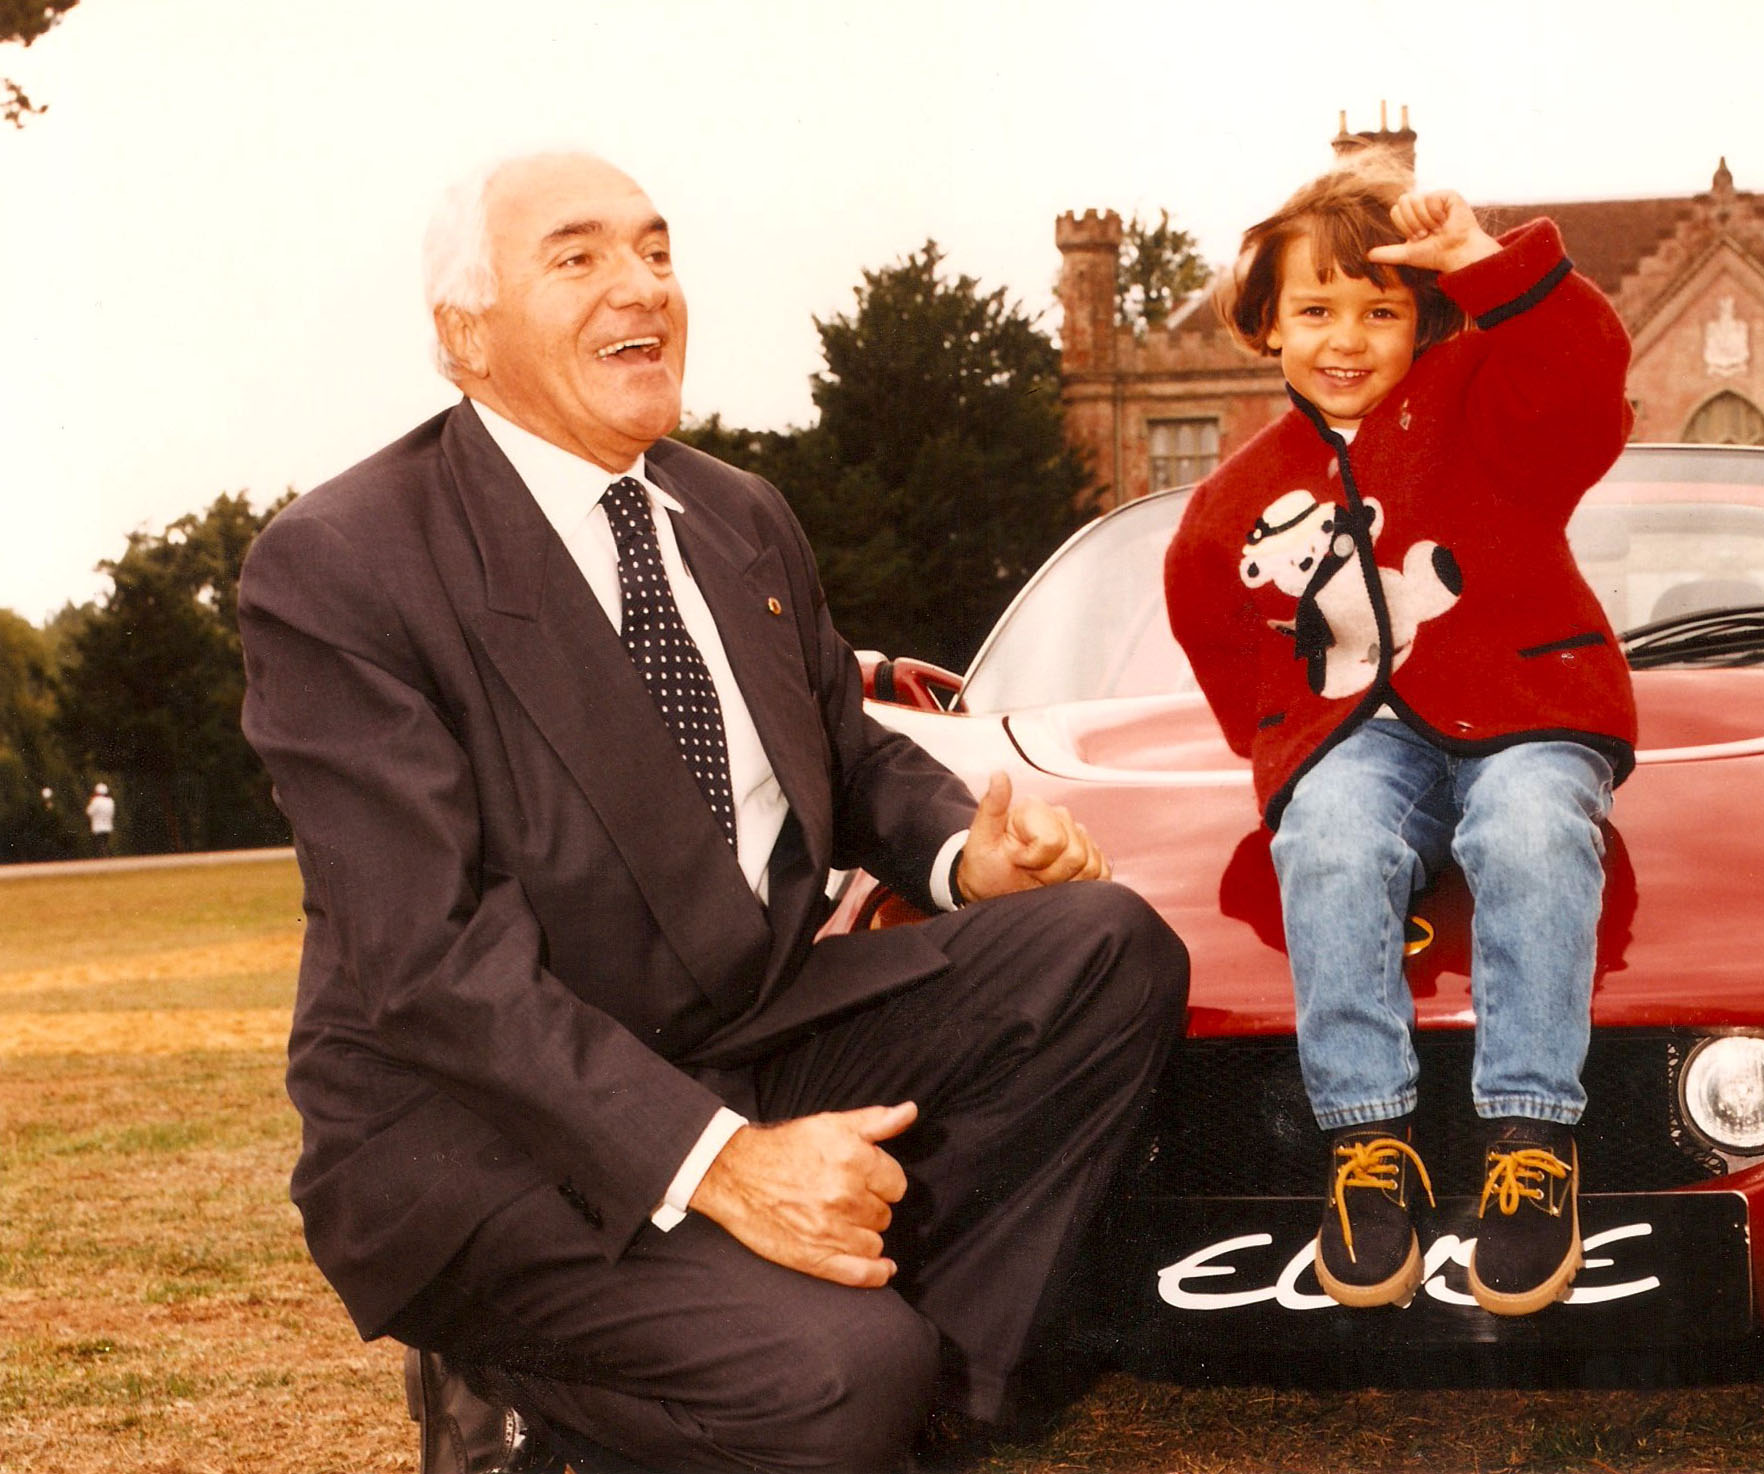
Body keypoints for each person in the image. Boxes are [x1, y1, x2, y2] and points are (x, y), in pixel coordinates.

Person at [238, 151, 1188, 1474]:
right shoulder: (342, 566)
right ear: (466, 331)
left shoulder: (738, 516)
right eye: (577, 257)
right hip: (487, 1127)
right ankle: (540, 1394)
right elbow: (429, 962)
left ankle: (912, 1398)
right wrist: (726, 1163)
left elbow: (842, 749)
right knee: (831, 1374)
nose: (644, 285)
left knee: (1098, 947)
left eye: (657, 249)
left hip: (746, 1035)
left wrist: (962, 846)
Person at [1163, 160, 1633, 1318]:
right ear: (1262, 324)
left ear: (1419, 319)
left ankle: (1531, 1145)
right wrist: (1283, 742)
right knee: (1324, 831)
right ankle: (1369, 1148)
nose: (1345, 338)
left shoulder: (1483, 395)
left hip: (1525, 713)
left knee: (1527, 822)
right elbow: (1210, 623)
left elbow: (1582, 377)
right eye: (1314, 310)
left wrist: (1483, 262)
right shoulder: (1230, 501)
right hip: (1357, 739)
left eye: (1379, 311)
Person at [84, 782, 115, 858]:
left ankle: (105, 856)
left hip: (98, 826)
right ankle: (108, 856)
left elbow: (89, 812)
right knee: (105, 842)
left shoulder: (96, 801)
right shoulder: (110, 801)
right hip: (108, 826)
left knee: (100, 844)